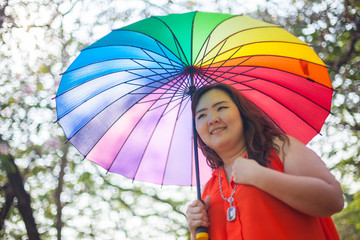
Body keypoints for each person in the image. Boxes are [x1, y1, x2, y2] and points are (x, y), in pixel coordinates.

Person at [186, 83, 344, 240]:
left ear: (242, 112)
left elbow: (333, 199)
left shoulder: (279, 147)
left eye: (221, 108)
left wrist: (259, 176)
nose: (212, 119)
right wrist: (196, 231)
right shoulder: (208, 190)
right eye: (201, 115)